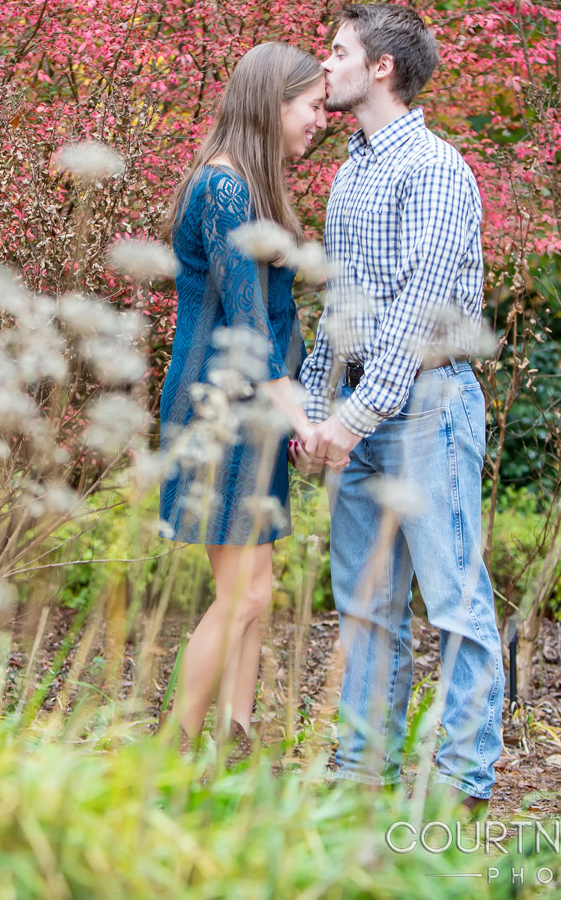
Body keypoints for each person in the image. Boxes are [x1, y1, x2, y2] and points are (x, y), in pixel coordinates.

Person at [298, 3, 505, 815]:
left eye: (339, 49)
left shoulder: (436, 169)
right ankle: (362, 775)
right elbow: (339, 310)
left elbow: (420, 310)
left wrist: (355, 417)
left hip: (428, 404)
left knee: (454, 600)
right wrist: (318, 414)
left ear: (381, 66)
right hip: (361, 405)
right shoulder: (352, 170)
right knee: (364, 604)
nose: (327, 62)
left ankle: (459, 786)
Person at [158, 41, 326, 757]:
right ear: (273, 103)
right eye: (313, 105)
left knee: (256, 586)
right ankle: (169, 750)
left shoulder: (249, 191)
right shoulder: (223, 190)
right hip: (219, 408)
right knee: (246, 595)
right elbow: (250, 329)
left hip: (248, 408)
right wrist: (307, 421)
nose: (322, 119)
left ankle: (236, 745)